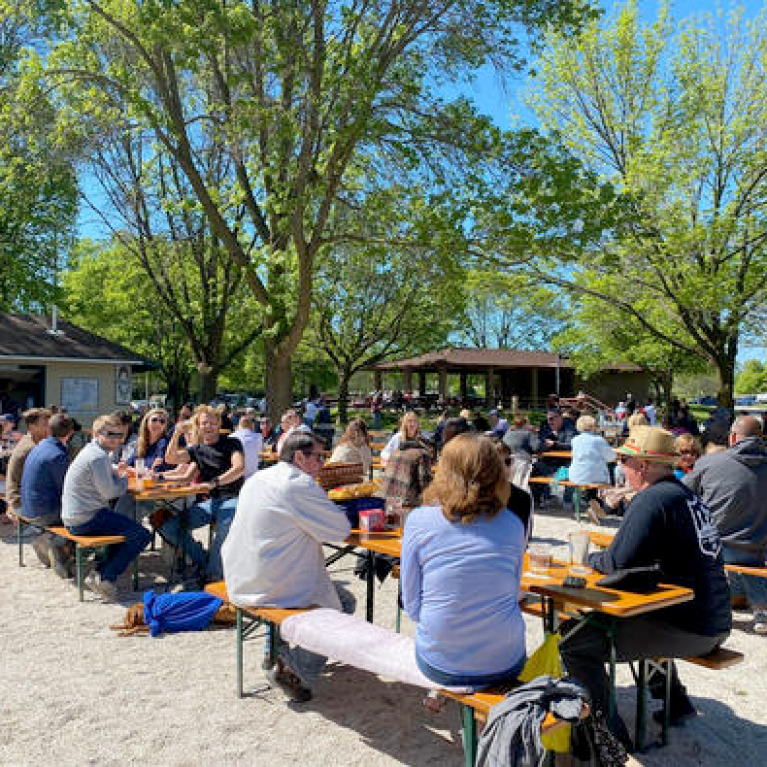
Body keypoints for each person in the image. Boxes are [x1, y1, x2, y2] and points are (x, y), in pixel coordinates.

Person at [560, 426, 731, 748]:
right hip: (715, 621)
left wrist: (591, 558)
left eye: (624, 460)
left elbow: (616, 563)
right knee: (640, 617)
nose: (620, 467)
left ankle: (608, 737)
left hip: (689, 628)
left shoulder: (653, 499)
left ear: (642, 465)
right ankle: (676, 702)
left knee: (575, 641)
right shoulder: (684, 494)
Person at [221, 431, 353, 702]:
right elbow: (340, 530)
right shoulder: (299, 483)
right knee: (342, 605)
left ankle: (278, 650)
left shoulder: (258, 478)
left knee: (330, 593)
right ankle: (295, 666)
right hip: (271, 584)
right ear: (299, 457)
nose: (322, 464)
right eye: (318, 457)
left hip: (241, 575)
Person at [401, 434, 527, 689]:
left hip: (441, 660)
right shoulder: (513, 524)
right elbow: (513, 592)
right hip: (506, 658)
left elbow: (411, 603)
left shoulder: (419, 521)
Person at [683, 415, 767, 634]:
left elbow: (681, 493)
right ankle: (761, 609)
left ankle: (712, 603)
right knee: (751, 555)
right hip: (756, 549)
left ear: (732, 437)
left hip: (713, 546)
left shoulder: (710, 462)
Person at [62, 414, 152, 601]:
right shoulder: (97, 456)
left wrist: (114, 471)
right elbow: (110, 493)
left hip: (75, 516)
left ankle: (100, 571)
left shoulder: (92, 451)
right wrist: (125, 479)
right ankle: (105, 576)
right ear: (97, 433)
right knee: (141, 535)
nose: (116, 439)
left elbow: (101, 474)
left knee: (123, 525)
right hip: (85, 518)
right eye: (111, 434)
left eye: (120, 435)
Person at [161, 405, 245, 582]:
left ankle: (212, 576)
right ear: (198, 426)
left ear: (219, 423)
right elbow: (170, 458)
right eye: (204, 423)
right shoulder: (197, 449)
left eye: (212, 422)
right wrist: (176, 434)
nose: (208, 426)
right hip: (212, 502)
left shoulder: (232, 442)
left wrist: (213, 483)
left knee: (224, 529)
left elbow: (239, 468)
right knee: (169, 528)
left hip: (234, 499)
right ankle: (205, 562)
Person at [20, 413, 76, 577]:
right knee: (88, 514)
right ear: (70, 433)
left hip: (28, 508)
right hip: (45, 513)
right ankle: (60, 549)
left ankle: (49, 541)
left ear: (49, 430)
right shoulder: (58, 455)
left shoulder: (39, 447)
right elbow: (67, 490)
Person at [4, 408, 51, 530]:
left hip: (17, 497)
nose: (49, 428)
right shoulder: (31, 448)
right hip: (20, 502)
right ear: (32, 426)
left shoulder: (30, 440)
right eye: (45, 425)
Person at [502, 413, 540, 490]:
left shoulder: (508, 432)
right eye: (528, 422)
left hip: (507, 462)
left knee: (510, 485)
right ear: (525, 423)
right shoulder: (528, 433)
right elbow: (536, 447)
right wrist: (535, 433)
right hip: (522, 463)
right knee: (521, 487)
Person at [232, 414, 263, 479]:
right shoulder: (258, 437)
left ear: (239, 424)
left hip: (236, 476)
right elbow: (260, 455)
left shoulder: (232, 436)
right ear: (252, 424)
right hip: (253, 475)